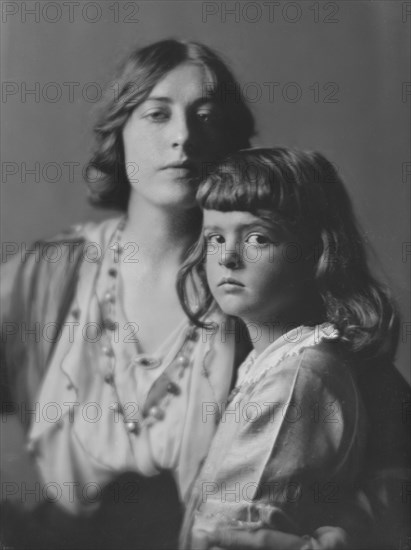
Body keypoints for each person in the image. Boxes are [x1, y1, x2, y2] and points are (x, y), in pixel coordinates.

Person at [1, 41, 409, 550]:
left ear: (231, 142)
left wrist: (344, 533)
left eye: (206, 117)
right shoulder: (45, 276)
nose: (182, 137)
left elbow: (397, 457)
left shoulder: (277, 288)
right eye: (156, 114)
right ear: (118, 133)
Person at [177, 147, 409, 550]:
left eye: (257, 237)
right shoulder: (268, 365)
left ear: (315, 253)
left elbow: (234, 531)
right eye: (215, 237)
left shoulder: (301, 374)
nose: (228, 256)